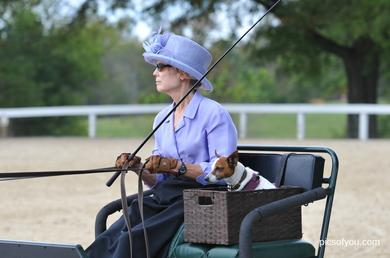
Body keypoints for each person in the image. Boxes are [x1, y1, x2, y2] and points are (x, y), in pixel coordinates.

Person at [86, 31, 238, 258]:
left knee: (131, 240)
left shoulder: (214, 114)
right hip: (166, 197)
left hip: (203, 201)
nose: (154, 73)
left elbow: (226, 171)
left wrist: (177, 166)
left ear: (183, 73)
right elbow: (159, 181)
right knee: (110, 236)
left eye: (161, 66)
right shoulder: (162, 118)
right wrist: (139, 168)